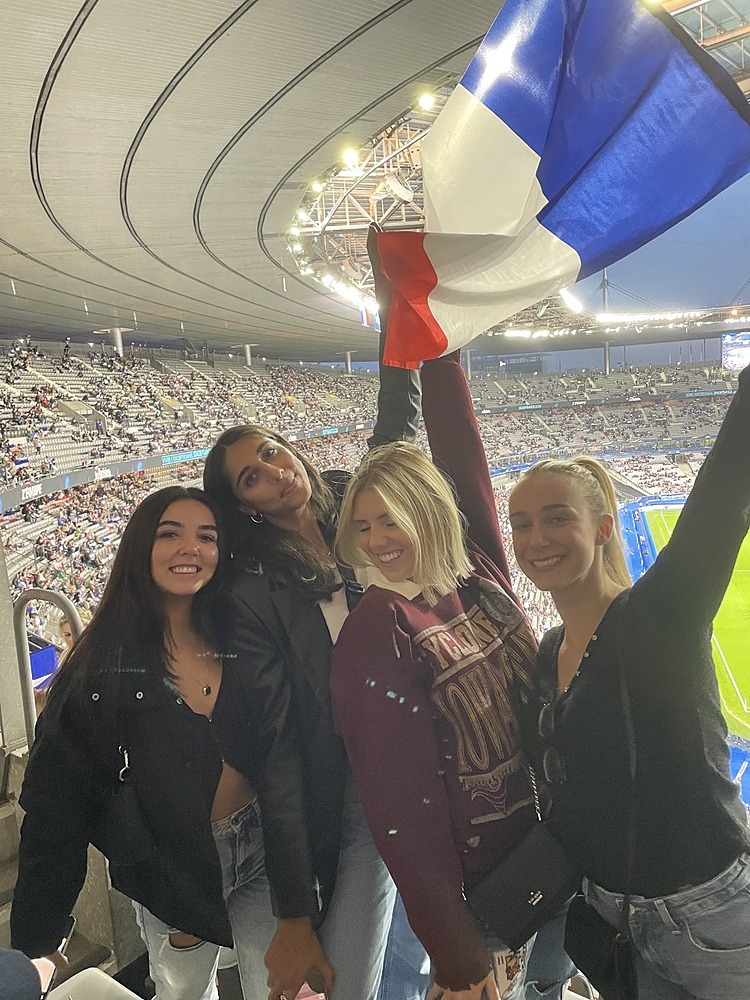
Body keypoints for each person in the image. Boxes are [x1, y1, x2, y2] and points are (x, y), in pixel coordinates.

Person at [331, 350, 575, 1000]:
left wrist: (440, 343)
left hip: (552, 851)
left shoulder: (478, 571)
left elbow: (461, 449)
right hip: (476, 898)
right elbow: (399, 810)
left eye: (392, 518)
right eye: (364, 525)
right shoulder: (378, 629)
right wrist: (458, 951)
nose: (378, 539)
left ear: (429, 509)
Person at [507, 368, 750, 1000]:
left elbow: (725, 489)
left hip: (715, 917)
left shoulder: (660, 614)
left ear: (604, 527)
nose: (536, 539)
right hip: (613, 918)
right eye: (522, 523)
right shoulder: (549, 652)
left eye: (555, 518)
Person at [203, 349, 429, 1000]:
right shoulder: (252, 591)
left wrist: (399, 329)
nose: (275, 473)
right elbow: (278, 748)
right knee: (347, 978)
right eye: (251, 477)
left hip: (425, 761)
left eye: (272, 452)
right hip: (353, 791)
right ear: (242, 507)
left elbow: (396, 439)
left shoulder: (349, 502)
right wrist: (293, 911)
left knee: (423, 958)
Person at [11, 486, 283, 1000]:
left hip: (262, 843)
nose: (191, 548)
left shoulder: (242, 633)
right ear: (140, 548)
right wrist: (38, 940)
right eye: (169, 533)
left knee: (276, 985)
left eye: (207, 536)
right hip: (173, 867)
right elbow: (55, 808)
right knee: (184, 993)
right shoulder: (97, 669)